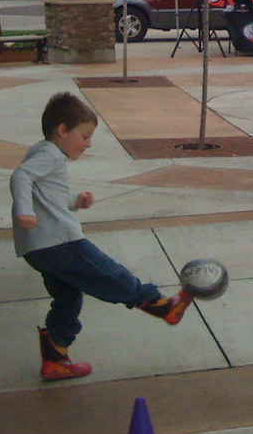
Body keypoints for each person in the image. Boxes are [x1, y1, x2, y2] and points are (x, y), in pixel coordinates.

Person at [11, 92, 194, 381]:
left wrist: (74, 200)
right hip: (60, 242)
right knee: (107, 273)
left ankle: (56, 358)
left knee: (68, 296)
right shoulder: (49, 154)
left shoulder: (40, 151)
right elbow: (20, 178)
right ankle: (161, 306)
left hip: (38, 249)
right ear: (62, 130)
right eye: (84, 136)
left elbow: (45, 195)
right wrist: (24, 212)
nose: (88, 144)